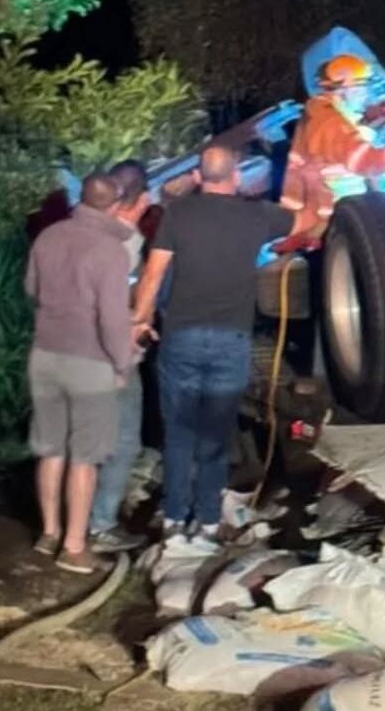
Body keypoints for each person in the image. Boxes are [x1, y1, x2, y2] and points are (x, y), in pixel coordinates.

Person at [131, 145, 300, 542]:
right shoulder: (257, 216)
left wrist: (140, 319)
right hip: (231, 341)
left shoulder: (177, 215)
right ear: (237, 177)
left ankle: (174, 519)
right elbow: (302, 220)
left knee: (179, 433)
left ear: (196, 177)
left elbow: (153, 275)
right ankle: (207, 521)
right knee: (215, 434)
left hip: (181, 339)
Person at [24, 172, 135, 574]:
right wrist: (122, 363)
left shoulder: (48, 237)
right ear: (116, 203)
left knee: (50, 448)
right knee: (84, 456)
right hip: (89, 362)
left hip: (44, 356)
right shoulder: (110, 251)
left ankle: (48, 533)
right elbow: (112, 319)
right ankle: (74, 546)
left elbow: (32, 289)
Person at [276, 53, 385, 250]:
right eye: (361, 87)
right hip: (321, 226)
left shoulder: (331, 114)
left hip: (329, 220)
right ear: (343, 89)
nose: (367, 94)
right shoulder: (328, 122)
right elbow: (363, 160)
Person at [86, 160, 152, 553]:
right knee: (124, 440)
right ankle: (100, 525)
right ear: (140, 198)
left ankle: (73, 525)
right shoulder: (125, 241)